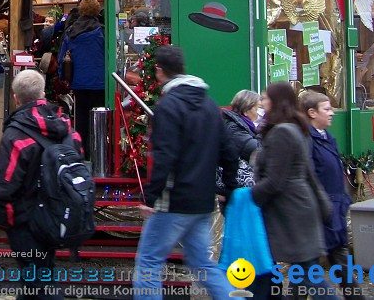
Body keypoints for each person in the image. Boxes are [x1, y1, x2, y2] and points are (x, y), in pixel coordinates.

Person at [134, 44, 237, 299]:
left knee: (149, 262)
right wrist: (228, 186)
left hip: (173, 200)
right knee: (202, 263)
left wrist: (150, 196)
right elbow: (229, 151)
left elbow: (165, 156)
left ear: (159, 71)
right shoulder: (210, 106)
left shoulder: (168, 107)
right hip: (202, 201)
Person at [0, 69, 82, 298]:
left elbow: (6, 184)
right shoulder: (66, 127)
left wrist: (5, 217)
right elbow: (76, 160)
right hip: (56, 213)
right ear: (43, 93)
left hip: (27, 219)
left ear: (15, 97)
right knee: (38, 277)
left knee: (39, 282)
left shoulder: (15, 135)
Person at [250, 82, 333, 300]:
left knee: (308, 277)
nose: (262, 102)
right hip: (295, 210)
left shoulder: (282, 133)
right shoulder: (296, 128)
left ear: (276, 101)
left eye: (266, 98)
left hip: (291, 213)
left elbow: (275, 180)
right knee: (289, 273)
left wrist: (247, 196)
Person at [302, 91, 358, 295]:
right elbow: (308, 177)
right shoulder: (307, 140)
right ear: (312, 113)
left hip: (335, 211)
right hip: (320, 214)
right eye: (326, 109)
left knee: (334, 263)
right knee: (308, 267)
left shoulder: (329, 138)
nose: (332, 113)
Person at [58, 0, 104, 159]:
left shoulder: (71, 31)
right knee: (99, 119)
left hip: (79, 81)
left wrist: (63, 77)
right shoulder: (102, 31)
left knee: (81, 118)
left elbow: (62, 57)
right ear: (97, 11)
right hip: (100, 82)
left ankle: (82, 152)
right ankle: (99, 153)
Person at [220, 89, 261, 188]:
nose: (258, 113)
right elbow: (256, 149)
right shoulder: (235, 128)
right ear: (246, 111)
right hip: (237, 185)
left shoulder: (239, 124)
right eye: (256, 109)